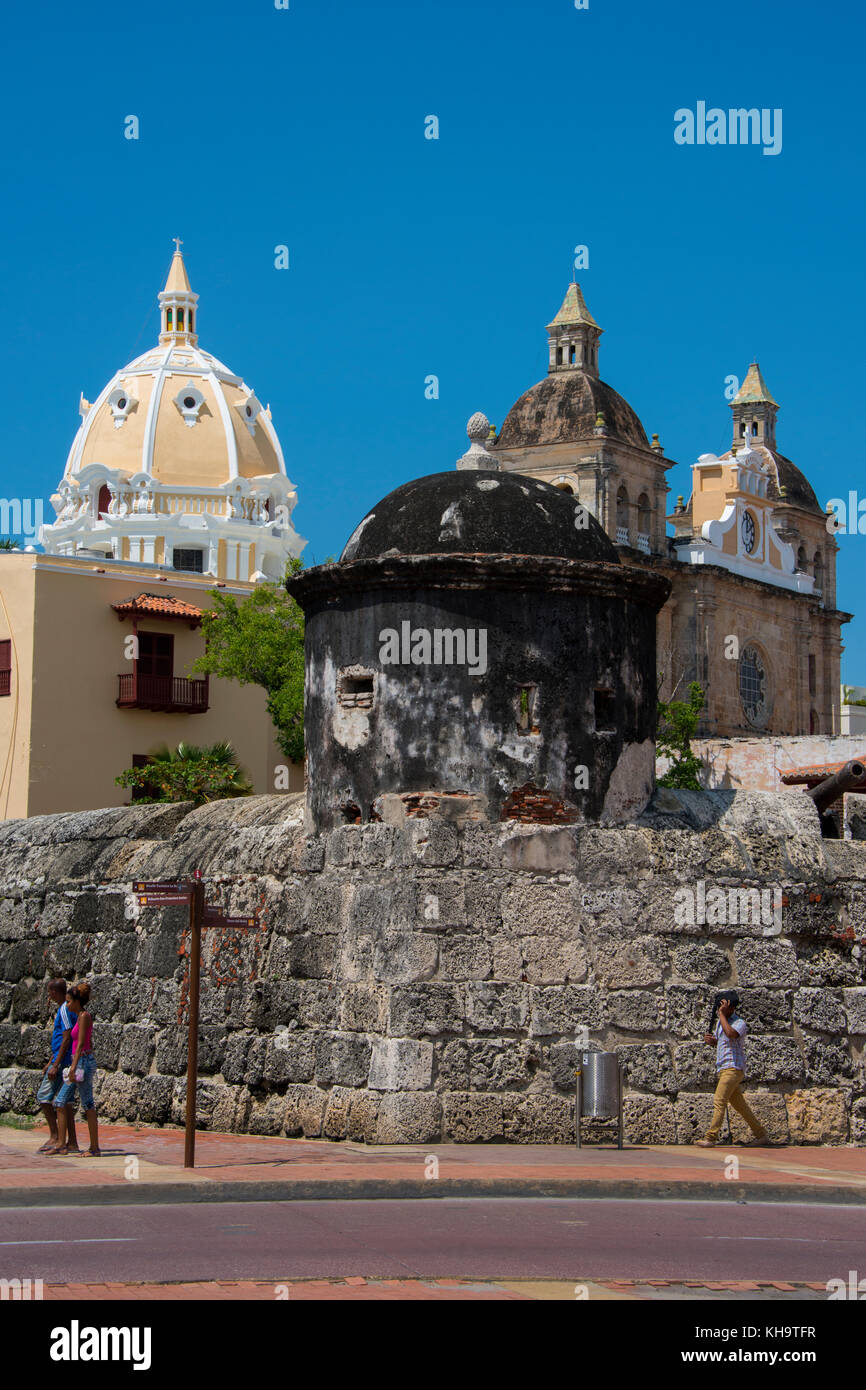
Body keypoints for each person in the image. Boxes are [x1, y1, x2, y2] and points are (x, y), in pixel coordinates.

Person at [696, 989, 771, 1148]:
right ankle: (762, 1135)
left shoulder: (739, 1023)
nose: (721, 1009)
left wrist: (721, 1015)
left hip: (733, 1067)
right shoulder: (720, 1023)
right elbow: (723, 1041)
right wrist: (712, 1041)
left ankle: (710, 1137)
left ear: (731, 1007)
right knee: (740, 1106)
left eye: (724, 1006)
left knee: (719, 1100)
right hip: (723, 1067)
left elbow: (731, 1034)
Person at [47, 981, 100, 1157]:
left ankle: (93, 1148)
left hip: (82, 1063)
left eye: (69, 1001)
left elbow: (81, 1045)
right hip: (81, 1062)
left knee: (84, 1103)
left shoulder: (84, 1016)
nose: (67, 1004)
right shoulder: (79, 1017)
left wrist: (73, 1067)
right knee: (70, 1102)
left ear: (77, 1001)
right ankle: (63, 1144)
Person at [35, 978, 79, 1154]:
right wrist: (50, 1062)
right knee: (66, 1103)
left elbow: (67, 1038)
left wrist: (56, 1064)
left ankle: (54, 1135)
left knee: (44, 1097)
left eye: (50, 992)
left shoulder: (63, 1010)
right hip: (63, 1060)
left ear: (55, 992)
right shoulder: (70, 1009)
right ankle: (72, 1141)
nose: (49, 995)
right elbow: (62, 1040)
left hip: (63, 1062)